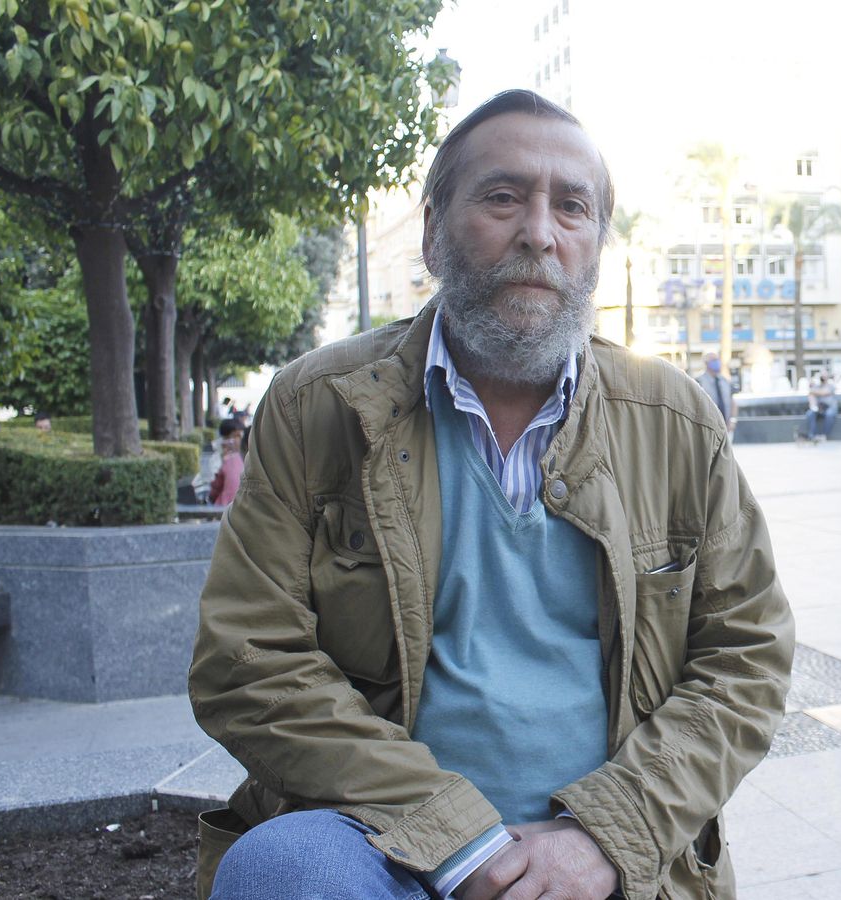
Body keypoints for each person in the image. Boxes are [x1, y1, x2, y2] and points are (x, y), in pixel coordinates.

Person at [189, 90, 794, 900]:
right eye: (503, 197)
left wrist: (607, 834)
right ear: (434, 233)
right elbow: (247, 661)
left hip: (604, 865)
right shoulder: (316, 407)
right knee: (280, 872)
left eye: (571, 207)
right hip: (383, 843)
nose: (539, 232)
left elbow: (746, 656)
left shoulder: (675, 421)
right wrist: (456, 840)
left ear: (596, 245)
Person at [695, 351, 735, 433]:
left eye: (717, 359)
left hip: (726, 427)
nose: (717, 362)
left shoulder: (725, 381)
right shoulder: (698, 381)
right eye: (713, 360)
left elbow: (732, 401)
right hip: (708, 428)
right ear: (706, 363)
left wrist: (732, 420)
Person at [207, 418, 244, 506]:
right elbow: (213, 489)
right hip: (224, 508)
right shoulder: (216, 460)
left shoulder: (242, 457)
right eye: (236, 436)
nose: (238, 440)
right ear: (225, 439)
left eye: (240, 436)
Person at [800, 372, 838, 443]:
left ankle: (824, 435)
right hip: (819, 408)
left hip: (829, 407)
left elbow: (824, 392)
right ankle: (811, 435)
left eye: (824, 377)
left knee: (829, 414)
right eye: (821, 377)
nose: (823, 378)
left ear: (827, 378)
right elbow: (810, 394)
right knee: (810, 413)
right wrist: (813, 405)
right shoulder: (817, 386)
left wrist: (814, 391)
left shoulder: (831, 386)